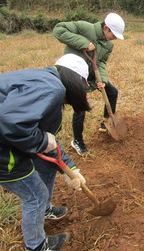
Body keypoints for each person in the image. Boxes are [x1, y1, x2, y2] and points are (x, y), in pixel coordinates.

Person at [0, 54, 91, 251]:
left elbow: (50, 143)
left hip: (8, 137)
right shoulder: (52, 88)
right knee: (36, 196)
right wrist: (41, 140)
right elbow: (11, 123)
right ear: (75, 82)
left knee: (47, 166)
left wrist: (71, 168)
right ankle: (36, 245)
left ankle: (45, 210)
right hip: (3, 149)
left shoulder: (44, 80)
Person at [53, 12, 125, 155]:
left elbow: (101, 62)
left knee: (112, 92)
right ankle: (77, 141)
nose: (115, 39)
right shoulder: (85, 28)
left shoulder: (109, 44)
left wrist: (102, 80)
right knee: (81, 107)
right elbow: (58, 30)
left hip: (91, 75)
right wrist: (84, 43)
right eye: (114, 35)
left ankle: (106, 122)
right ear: (105, 28)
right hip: (72, 72)